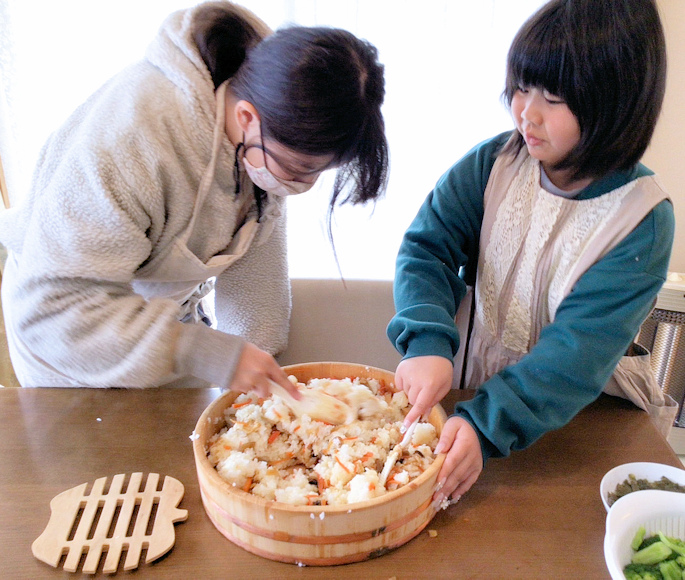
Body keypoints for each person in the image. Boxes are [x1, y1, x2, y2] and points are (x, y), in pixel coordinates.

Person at [0, 1, 388, 395]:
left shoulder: (270, 127)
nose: (301, 185)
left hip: (169, 330)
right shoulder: (130, 138)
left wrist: (255, 384)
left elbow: (257, 286)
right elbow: (56, 311)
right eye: (297, 169)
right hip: (70, 344)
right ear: (248, 118)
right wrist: (208, 352)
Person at [387, 0, 675, 508]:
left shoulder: (640, 221)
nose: (527, 112)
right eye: (521, 87)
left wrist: (486, 424)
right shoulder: (494, 162)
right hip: (475, 396)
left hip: (579, 422)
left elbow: (573, 358)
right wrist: (428, 341)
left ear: (617, 102)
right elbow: (426, 248)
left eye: (555, 97)